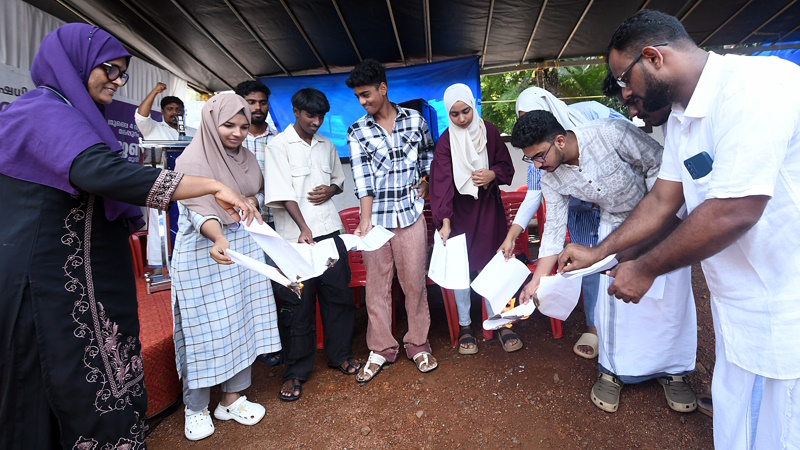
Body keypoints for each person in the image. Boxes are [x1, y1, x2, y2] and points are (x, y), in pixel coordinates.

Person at [0, 24, 260, 449]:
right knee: (50, 382)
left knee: (94, 377)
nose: (119, 82)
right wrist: (213, 185)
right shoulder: (40, 111)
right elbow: (101, 172)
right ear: (75, 63)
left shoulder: (74, 116)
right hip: (47, 286)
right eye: (110, 70)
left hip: (82, 281)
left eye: (123, 73)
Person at [560, 10, 800, 447]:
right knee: (738, 419)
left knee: (772, 428)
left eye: (624, 80)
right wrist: (602, 252)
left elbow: (734, 210)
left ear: (654, 58)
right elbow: (662, 201)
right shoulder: (682, 117)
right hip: (740, 300)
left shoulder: (754, 88)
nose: (624, 95)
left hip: (782, 305)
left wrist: (645, 268)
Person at [512, 110, 697, 414]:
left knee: (669, 300)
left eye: (539, 156)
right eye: (529, 159)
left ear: (560, 141)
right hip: (614, 228)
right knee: (616, 306)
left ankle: (674, 371)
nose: (536, 165)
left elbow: (660, 162)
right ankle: (613, 371)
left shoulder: (611, 133)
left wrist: (656, 214)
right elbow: (554, 231)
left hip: (663, 219)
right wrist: (536, 282)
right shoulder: (550, 176)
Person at [170, 93, 280, 441]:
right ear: (209, 122)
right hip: (206, 252)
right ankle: (196, 408)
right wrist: (218, 236)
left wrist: (250, 201)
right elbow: (196, 210)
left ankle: (231, 400)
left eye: (243, 126)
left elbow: (255, 195)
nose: (236, 133)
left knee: (242, 323)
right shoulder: (192, 160)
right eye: (228, 125)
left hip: (243, 249)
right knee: (203, 331)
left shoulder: (246, 157)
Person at [499, 87, 624, 360]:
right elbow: (536, 198)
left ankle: (624, 329)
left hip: (620, 206)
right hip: (580, 212)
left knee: (626, 261)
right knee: (588, 267)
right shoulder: (541, 162)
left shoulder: (590, 115)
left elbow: (630, 145)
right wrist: (513, 235)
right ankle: (593, 326)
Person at [263, 87, 361, 401]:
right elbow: (281, 192)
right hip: (295, 240)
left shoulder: (326, 145)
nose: (316, 122)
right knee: (297, 305)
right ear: (295, 111)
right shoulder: (278, 146)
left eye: (320, 116)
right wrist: (303, 227)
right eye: (310, 115)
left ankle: (340, 355)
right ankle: (295, 371)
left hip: (329, 234)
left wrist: (330, 191)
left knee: (339, 298)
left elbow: (338, 182)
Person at [345, 59, 437, 382]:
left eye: (366, 94)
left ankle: (418, 343)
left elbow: (428, 154)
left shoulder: (415, 121)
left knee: (414, 283)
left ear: (382, 89)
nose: (362, 101)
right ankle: (381, 348)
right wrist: (365, 220)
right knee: (377, 287)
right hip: (376, 221)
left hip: (410, 215)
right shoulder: (356, 131)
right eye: (358, 97)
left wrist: (426, 182)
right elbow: (362, 180)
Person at [428, 83, 516, 354]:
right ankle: (465, 325)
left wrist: (492, 174)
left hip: (488, 209)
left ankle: (500, 320)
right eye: (454, 114)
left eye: (466, 111)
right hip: (460, 214)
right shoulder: (446, 141)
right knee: (461, 269)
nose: (462, 118)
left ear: (473, 107)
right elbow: (441, 183)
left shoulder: (489, 131)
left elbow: (506, 166)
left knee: (493, 264)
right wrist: (445, 221)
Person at [234, 79, 282, 368]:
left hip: (274, 221)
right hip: (240, 225)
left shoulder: (278, 140)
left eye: (262, 102)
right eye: (251, 102)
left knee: (275, 281)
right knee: (248, 283)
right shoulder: (231, 139)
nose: (257, 107)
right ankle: (250, 344)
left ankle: (273, 342)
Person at [135, 82, 197, 273]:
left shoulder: (193, 132)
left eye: (178, 109)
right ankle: (162, 266)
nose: (174, 113)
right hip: (161, 183)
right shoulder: (153, 128)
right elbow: (141, 115)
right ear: (162, 112)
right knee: (160, 225)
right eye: (170, 109)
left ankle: (189, 263)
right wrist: (155, 91)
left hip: (189, 185)